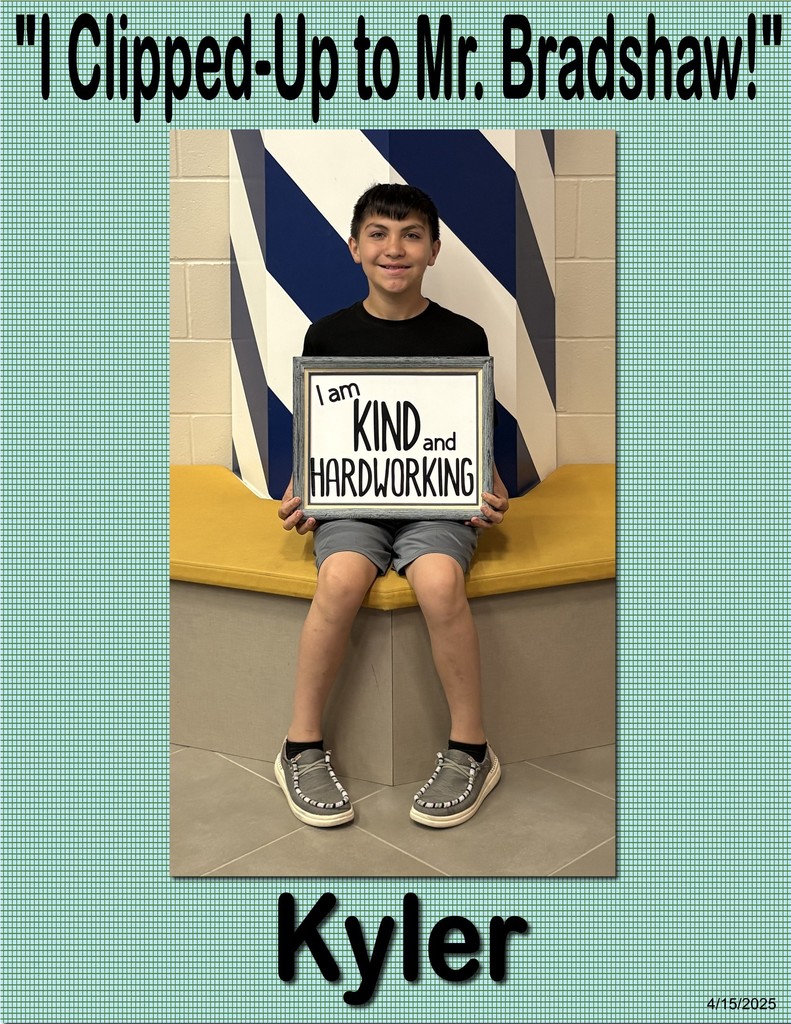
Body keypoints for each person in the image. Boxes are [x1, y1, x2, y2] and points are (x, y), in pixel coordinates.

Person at [275, 183, 510, 829]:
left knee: (438, 581)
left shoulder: (463, 335)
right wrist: (301, 491)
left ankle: (471, 749)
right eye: (378, 234)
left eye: (411, 235)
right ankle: (299, 745)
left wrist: (490, 489)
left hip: (436, 501)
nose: (394, 248)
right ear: (354, 247)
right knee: (340, 578)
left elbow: (474, 432)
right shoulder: (327, 334)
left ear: (434, 249)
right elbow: (318, 434)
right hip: (351, 501)